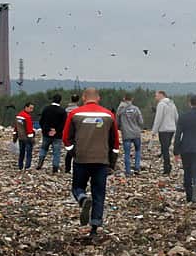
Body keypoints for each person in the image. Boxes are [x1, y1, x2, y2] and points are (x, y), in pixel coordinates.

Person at [63, 88, 119, 237]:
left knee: (77, 187)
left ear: (83, 97)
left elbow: (66, 138)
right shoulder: (109, 115)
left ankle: (82, 199)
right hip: (101, 161)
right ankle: (94, 227)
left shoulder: (75, 114)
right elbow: (115, 143)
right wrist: (112, 164)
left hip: (81, 159)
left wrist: (73, 152)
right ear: (98, 98)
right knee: (99, 193)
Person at [37, 94, 67, 172]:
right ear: (60, 100)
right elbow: (64, 124)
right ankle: (55, 167)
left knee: (43, 148)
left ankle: (40, 163)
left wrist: (47, 129)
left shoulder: (46, 109)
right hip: (57, 135)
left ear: (52, 99)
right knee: (56, 152)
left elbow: (41, 121)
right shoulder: (62, 111)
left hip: (46, 134)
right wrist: (55, 130)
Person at [116, 93, 144, 176]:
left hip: (126, 133)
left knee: (127, 153)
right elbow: (141, 121)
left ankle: (128, 171)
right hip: (136, 133)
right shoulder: (136, 109)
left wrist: (120, 127)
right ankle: (137, 168)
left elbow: (117, 122)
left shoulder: (120, 109)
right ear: (132, 99)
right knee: (138, 150)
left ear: (124, 98)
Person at [151, 90, 178, 175]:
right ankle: (167, 165)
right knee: (166, 147)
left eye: (156, 96)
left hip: (163, 129)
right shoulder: (172, 104)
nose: (155, 97)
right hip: (172, 129)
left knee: (164, 149)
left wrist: (154, 131)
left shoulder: (161, 104)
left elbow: (158, 118)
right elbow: (177, 116)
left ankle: (167, 167)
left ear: (161, 95)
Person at [15, 102, 36, 170]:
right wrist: (32, 138)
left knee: (22, 152)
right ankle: (27, 166)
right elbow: (29, 129)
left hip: (21, 137)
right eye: (30, 108)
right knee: (29, 152)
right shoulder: (27, 117)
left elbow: (16, 127)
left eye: (32, 108)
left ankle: (20, 166)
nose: (31, 110)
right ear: (26, 107)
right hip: (27, 138)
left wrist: (15, 135)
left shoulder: (18, 115)